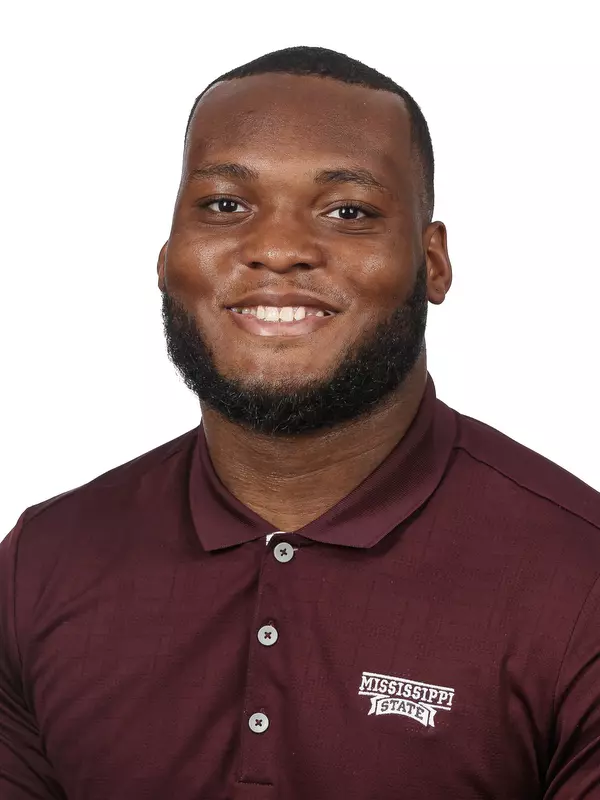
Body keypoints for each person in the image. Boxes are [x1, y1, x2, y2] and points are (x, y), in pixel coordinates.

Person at [1, 45, 599, 800]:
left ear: (433, 261)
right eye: (225, 205)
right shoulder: (40, 565)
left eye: (348, 212)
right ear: (166, 253)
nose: (277, 249)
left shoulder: (581, 582)